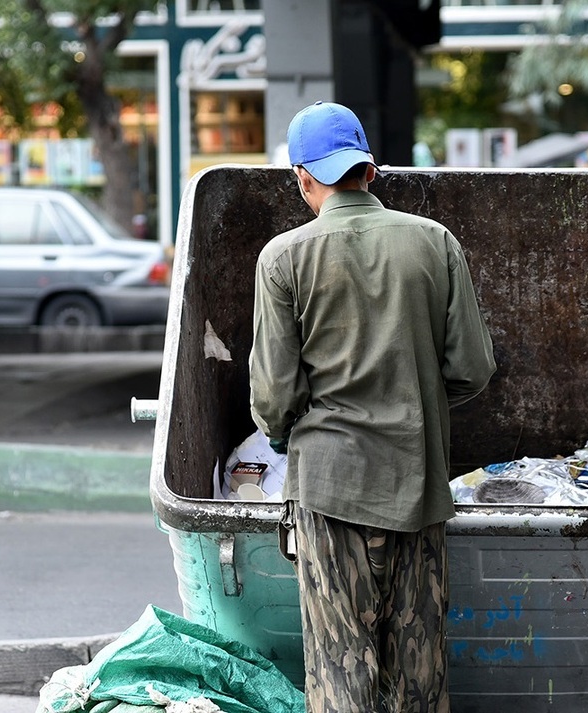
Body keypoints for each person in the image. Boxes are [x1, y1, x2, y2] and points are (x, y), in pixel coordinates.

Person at [249, 101, 496, 712]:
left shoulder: (283, 258)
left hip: (329, 492)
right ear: (371, 171)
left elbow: (275, 398)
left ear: (303, 178)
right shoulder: (435, 243)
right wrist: (419, 405)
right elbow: (472, 368)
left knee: (341, 675)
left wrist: (286, 437)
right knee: (418, 678)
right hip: (418, 486)